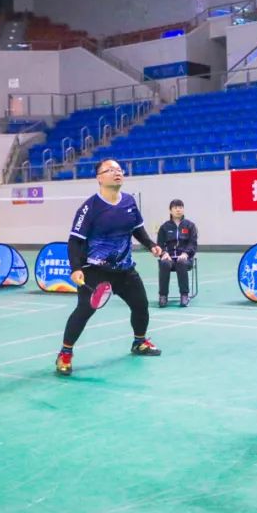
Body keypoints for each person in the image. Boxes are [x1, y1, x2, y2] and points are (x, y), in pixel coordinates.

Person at [55, 159, 165, 376]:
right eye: (110, 170)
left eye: (119, 170)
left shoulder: (129, 202)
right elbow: (75, 240)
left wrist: (151, 245)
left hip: (125, 269)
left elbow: (137, 229)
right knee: (84, 310)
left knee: (141, 305)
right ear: (99, 178)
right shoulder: (89, 208)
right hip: (95, 271)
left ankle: (139, 342)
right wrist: (75, 268)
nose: (117, 173)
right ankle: (65, 353)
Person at [156, 199, 198, 308]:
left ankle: (184, 295)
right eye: (175, 208)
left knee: (181, 263)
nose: (178, 210)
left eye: (180, 207)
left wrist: (185, 254)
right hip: (169, 259)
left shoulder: (190, 226)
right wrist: (164, 253)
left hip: (185, 259)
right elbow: (159, 244)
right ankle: (163, 296)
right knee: (164, 264)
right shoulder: (164, 227)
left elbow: (193, 243)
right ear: (170, 211)